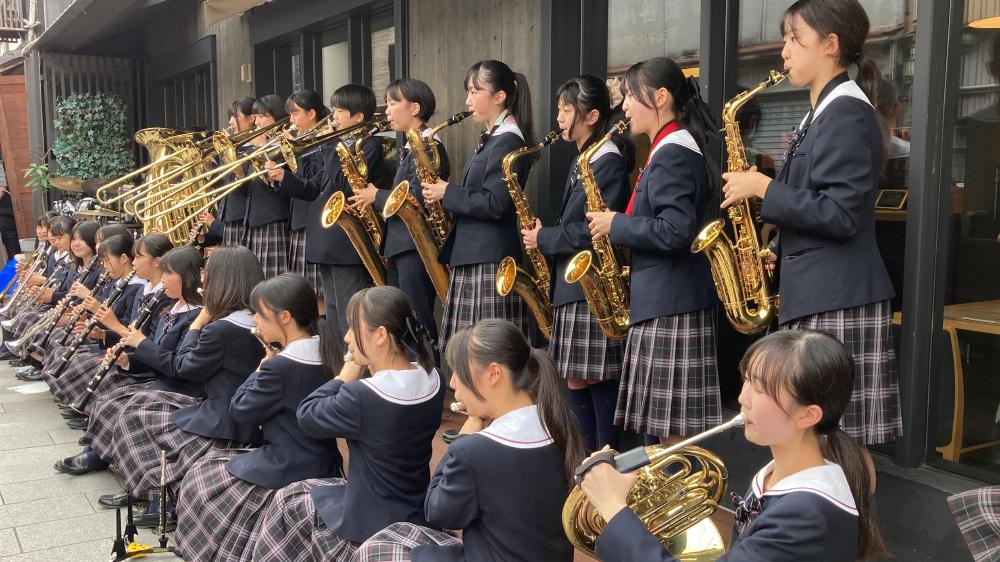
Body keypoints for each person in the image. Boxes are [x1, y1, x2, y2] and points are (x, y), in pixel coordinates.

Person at [720, 0, 902, 452]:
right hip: (826, 295)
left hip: (839, 299)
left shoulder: (844, 111)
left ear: (831, 45)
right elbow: (820, 203)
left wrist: (763, 187)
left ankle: (849, 524)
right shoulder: (822, 111)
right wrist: (777, 250)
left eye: (794, 38)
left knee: (843, 447)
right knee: (824, 445)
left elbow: (841, 213)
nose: (783, 51)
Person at [580, 330, 886, 562]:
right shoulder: (779, 475)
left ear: (808, 415)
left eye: (761, 389)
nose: (743, 398)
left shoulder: (805, 515)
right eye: (747, 380)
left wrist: (612, 505)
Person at [351, 318, 584, 562]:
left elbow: (437, 511)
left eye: (460, 372)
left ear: (493, 373)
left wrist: (465, 435)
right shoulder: (561, 421)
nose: (452, 383)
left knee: (376, 551)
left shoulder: (474, 451)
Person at [251, 285, 442, 562]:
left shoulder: (362, 395)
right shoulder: (434, 378)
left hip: (368, 518)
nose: (347, 337)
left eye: (354, 328)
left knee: (289, 504)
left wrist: (345, 374)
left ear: (380, 336)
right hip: (415, 511)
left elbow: (307, 415)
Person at [586, 57, 722, 443]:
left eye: (630, 96)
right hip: (666, 303)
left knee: (671, 438)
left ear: (660, 97)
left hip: (670, 305)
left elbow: (675, 230)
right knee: (666, 436)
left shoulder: (674, 151)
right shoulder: (669, 147)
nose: (625, 106)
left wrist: (616, 223)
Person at [175, 273, 343, 561]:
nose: (256, 323)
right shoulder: (328, 352)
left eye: (261, 316)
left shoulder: (280, 366)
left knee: (202, 480)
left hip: (286, 463)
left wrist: (259, 369)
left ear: (285, 317)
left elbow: (240, 409)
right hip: (325, 463)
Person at [522, 74, 631, 451]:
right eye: (559, 109)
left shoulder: (607, 160)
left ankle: (604, 454)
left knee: (595, 377)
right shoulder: (585, 157)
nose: (559, 118)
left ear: (592, 115)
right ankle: (584, 456)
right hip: (574, 284)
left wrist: (544, 238)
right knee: (576, 378)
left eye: (567, 110)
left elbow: (594, 230)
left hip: (592, 286)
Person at [420, 60, 540, 351]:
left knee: (485, 351)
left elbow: (496, 203)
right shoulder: (493, 137)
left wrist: (448, 193)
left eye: (475, 92)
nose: (467, 100)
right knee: (472, 352)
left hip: (487, 257)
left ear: (499, 97)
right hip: (476, 255)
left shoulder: (508, 140)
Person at [351, 78, 450, 355]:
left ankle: (428, 384)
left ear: (415, 108)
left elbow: (416, 197)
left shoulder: (429, 146)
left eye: (394, 103)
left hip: (415, 247)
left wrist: (377, 196)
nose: (387, 110)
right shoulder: (411, 146)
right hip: (403, 245)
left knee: (417, 321)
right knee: (402, 322)